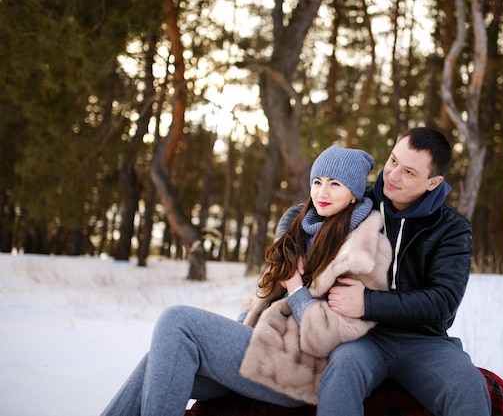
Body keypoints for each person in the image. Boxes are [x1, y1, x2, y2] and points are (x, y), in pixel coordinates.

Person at [100, 145, 392, 415]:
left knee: (176, 321)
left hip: (297, 369)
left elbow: (332, 336)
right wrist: (243, 322)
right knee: (161, 356)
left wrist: (295, 289)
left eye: (335, 184)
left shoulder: (365, 249)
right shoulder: (302, 228)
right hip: (261, 348)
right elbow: (261, 297)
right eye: (317, 182)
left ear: (354, 192)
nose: (322, 192)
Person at [318, 126, 492, 416]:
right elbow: (308, 214)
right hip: (364, 337)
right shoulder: (359, 204)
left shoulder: (452, 228)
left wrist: (367, 302)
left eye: (409, 172)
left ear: (433, 182)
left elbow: (443, 300)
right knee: (341, 371)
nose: (393, 175)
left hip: (425, 341)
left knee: (469, 386)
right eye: (393, 160)